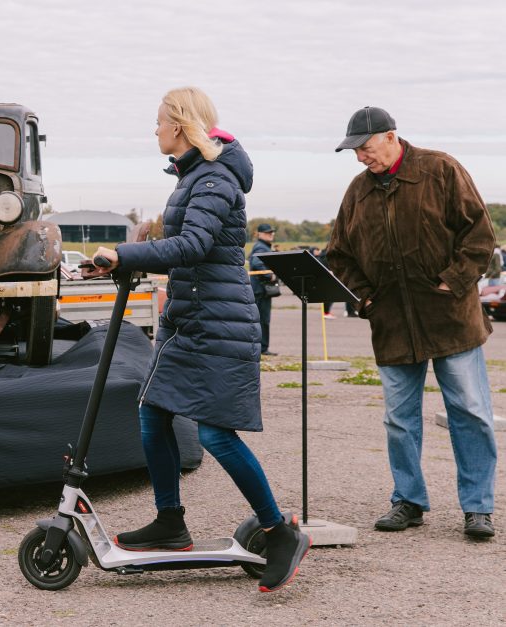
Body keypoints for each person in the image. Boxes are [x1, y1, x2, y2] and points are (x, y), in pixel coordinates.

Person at [83, 86, 310, 592]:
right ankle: (170, 524)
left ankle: (279, 533)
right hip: (191, 322)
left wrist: (126, 254)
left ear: (181, 126)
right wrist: (142, 241)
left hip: (219, 326)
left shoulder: (215, 177)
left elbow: (194, 245)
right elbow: (182, 237)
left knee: (215, 434)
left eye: (160, 122)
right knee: (152, 414)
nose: (155, 130)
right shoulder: (192, 178)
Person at [327, 106, 497, 539]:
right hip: (392, 324)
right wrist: (365, 297)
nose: (361, 158)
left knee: (470, 413)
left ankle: (478, 507)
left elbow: (479, 235)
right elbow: (339, 255)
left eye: (365, 148)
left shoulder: (441, 169)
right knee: (399, 419)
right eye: (355, 151)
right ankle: (408, 500)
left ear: (390, 136)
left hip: (452, 319)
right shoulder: (357, 192)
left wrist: (451, 283)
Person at [248, 223, 277, 355]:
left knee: (262, 320)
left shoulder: (263, 246)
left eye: (271, 232)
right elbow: (256, 263)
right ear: (259, 234)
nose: (270, 234)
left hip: (260, 290)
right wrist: (270, 275)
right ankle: (262, 348)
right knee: (262, 320)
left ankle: (261, 347)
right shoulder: (261, 247)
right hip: (260, 290)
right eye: (267, 232)